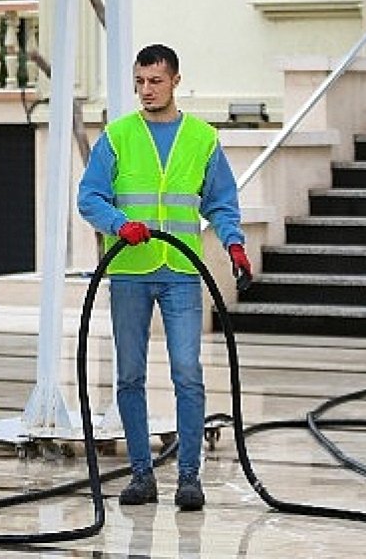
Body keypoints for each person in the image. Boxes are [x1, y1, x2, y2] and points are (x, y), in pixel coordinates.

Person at [77, 44, 252, 510]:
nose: (146, 90)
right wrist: (119, 224)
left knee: (187, 373)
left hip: (181, 272)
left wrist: (234, 243)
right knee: (130, 375)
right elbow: (89, 197)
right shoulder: (117, 137)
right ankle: (141, 475)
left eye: (155, 81)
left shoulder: (202, 138)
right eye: (139, 81)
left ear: (175, 80)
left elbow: (221, 201)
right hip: (130, 271)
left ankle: (189, 478)